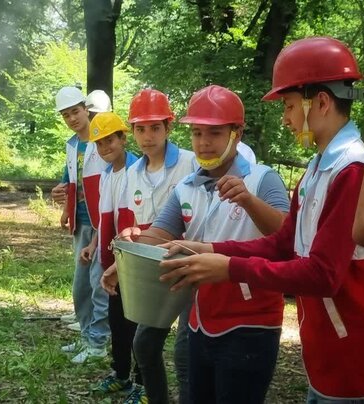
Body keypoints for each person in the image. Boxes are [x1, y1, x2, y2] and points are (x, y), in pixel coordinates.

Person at [159, 37, 364, 403]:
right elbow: (282, 244)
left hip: (353, 355)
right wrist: (208, 248)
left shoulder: (351, 171)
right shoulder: (318, 169)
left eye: (290, 106)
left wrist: (229, 268)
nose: (286, 118)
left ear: (320, 102)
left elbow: (324, 274)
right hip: (326, 351)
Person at [103, 85, 290, 404]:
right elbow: (158, 236)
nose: (203, 143)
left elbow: (288, 240)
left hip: (251, 323)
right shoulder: (186, 188)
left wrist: (248, 201)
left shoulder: (262, 179)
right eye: (197, 133)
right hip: (199, 318)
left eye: (214, 133)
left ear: (237, 133)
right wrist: (127, 254)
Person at [117, 89, 196, 404]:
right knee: (145, 345)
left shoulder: (191, 163)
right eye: (140, 128)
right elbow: (136, 222)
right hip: (156, 271)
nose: (147, 136)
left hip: (193, 266)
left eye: (154, 127)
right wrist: (130, 233)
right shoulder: (133, 173)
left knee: (187, 354)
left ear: (168, 128)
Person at [80, 111, 144, 397]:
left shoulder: (139, 170)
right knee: (117, 322)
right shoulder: (106, 175)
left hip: (137, 258)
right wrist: (94, 245)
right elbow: (107, 220)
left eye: (110, 141)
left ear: (123, 138)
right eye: (99, 144)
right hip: (113, 259)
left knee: (139, 324)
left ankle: (143, 382)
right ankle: (121, 373)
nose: (106, 148)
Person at [54, 86, 111, 363]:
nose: (72, 119)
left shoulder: (102, 142)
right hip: (80, 223)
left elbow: (123, 173)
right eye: (66, 115)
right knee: (81, 287)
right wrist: (64, 202)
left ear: (85, 109)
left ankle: (99, 342)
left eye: (75, 112)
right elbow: (69, 180)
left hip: (101, 224)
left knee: (99, 284)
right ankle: (87, 336)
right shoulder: (71, 145)